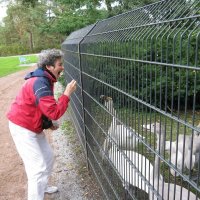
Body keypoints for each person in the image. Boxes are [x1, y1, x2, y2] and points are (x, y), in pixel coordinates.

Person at [6, 49, 77, 200]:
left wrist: (48, 122)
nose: (62, 67)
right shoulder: (40, 82)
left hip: (32, 124)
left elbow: (42, 107)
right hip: (23, 127)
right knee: (37, 168)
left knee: (48, 156)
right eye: (59, 64)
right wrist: (66, 94)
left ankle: (43, 187)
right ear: (49, 67)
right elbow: (53, 111)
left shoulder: (45, 79)